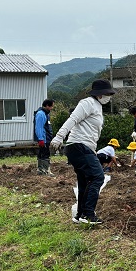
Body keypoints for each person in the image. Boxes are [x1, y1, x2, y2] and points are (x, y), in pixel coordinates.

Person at [50, 79, 116, 224]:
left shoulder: (97, 107)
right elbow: (72, 119)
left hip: (85, 147)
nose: (109, 97)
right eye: (107, 93)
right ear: (99, 94)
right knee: (98, 177)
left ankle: (80, 215)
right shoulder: (87, 103)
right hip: (78, 146)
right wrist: (59, 136)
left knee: (85, 181)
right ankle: (88, 214)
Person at [34, 99, 55, 176]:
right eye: (51, 106)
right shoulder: (41, 114)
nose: (52, 108)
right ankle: (46, 170)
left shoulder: (46, 114)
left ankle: (41, 170)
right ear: (47, 105)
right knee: (45, 154)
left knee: (42, 153)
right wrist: (41, 139)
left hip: (46, 138)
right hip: (43, 139)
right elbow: (39, 127)